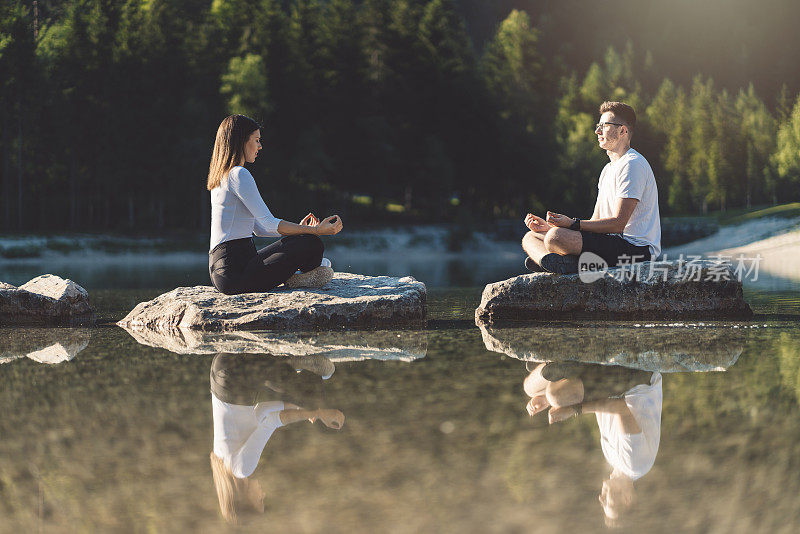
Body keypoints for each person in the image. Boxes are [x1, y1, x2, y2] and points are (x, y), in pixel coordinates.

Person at [208, 114, 344, 295]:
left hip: (225, 271)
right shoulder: (238, 174)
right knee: (312, 242)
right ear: (242, 141)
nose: (260, 146)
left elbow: (259, 230)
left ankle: (298, 273)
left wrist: (299, 229)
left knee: (302, 239)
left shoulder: (222, 177)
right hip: (235, 272)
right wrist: (317, 230)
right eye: (256, 140)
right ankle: (302, 274)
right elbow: (268, 223)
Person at [522, 101, 661, 274]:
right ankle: (550, 262)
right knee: (531, 237)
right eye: (598, 126)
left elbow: (618, 224)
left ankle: (565, 261)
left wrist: (571, 224)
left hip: (636, 250)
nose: (597, 131)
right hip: (609, 244)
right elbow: (595, 222)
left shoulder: (633, 164)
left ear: (623, 130)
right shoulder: (608, 169)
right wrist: (549, 228)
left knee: (555, 238)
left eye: (604, 126)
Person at [209, 353, 344, 524]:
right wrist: (304, 409)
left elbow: (272, 422)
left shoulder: (243, 469)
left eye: (260, 501)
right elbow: (260, 410)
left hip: (236, 373)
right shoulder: (224, 465)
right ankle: (287, 365)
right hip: (223, 368)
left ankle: (290, 363)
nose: (262, 495)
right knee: (305, 399)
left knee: (321, 380)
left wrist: (317, 411)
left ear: (245, 500)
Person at [524, 361, 662, 526]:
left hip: (614, 387)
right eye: (607, 503)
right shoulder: (636, 464)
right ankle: (564, 365)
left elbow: (599, 405)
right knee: (557, 396)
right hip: (637, 379)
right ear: (627, 499)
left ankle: (560, 366)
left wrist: (548, 402)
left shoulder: (612, 460)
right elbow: (620, 408)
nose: (600, 498)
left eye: (601, 503)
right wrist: (572, 409)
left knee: (530, 388)